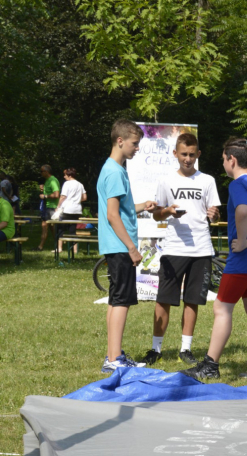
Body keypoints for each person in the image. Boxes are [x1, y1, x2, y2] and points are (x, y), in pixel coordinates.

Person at [179, 138, 247, 381]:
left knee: (222, 308)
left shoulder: (238, 184)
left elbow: (243, 210)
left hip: (244, 259)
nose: (224, 164)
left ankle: (210, 365)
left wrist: (246, 239)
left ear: (232, 160)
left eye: (223, 160)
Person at [141, 133, 221, 368]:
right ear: (175, 154)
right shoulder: (166, 181)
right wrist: (168, 212)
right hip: (174, 248)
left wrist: (214, 215)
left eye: (192, 154)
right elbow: (156, 215)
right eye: (183, 154)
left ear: (198, 154)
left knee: (192, 300)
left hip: (201, 248)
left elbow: (213, 214)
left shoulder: (207, 180)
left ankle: (185, 349)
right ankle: (156, 349)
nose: (187, 159)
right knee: (164, 299)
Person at [98, 119, 157, 373]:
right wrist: (132, 248)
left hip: (116, 245)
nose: (137, 149)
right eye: (134, 144)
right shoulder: (114, 171)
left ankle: (113, 354)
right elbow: (113, 215)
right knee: (122, 300)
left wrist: (142, 206)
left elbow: (120, 210)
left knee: (115, 299)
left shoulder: (113, 169)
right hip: (120, 246)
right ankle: (114, 359)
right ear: (120, 141)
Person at [54, 168, 87, 255]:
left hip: (67, 209)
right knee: (73, 229)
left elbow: (63, 196)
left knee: (60, 228)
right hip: (77, 210)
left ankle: (59, 248)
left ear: (69, 175)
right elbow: (84, 198)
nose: (64, 177)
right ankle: (75, 250)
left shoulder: (67, 184)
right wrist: (76, 200)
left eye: (65, 175)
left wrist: (58, 206)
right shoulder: (80, 184)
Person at [36, 165, 60, 251]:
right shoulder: (47, 181)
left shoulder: (52, 180)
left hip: (52, 207)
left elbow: (57, 195)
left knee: (45, 225)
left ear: (46, 172)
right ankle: (58, 246)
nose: (40, 173)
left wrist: (45, 196)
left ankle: (40, 246)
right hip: (48, 206)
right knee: (51, 228)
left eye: (41, 171)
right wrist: (42, 190)